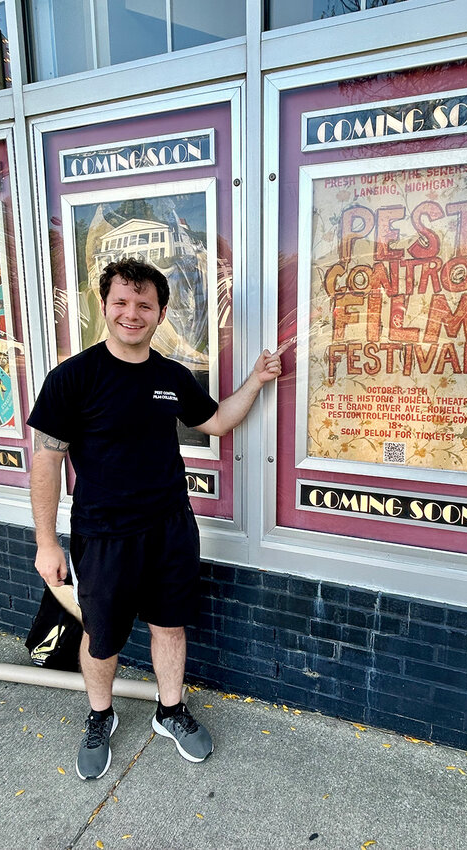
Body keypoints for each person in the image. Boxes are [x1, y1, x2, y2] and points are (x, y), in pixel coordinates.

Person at [28, 257, 287, 780]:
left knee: (170, 626)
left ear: (160, 312)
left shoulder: (171, 376)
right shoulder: (72, 378)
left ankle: (171, 711)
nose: (131, 313)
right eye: (121, 302)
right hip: (102, 535)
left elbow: (214, 421)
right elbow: (47, 460)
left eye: (144, 304)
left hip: (170, 527)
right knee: (101, 637)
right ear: (103, 306)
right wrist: (46, 543)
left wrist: (257, 381)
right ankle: (101, 716)